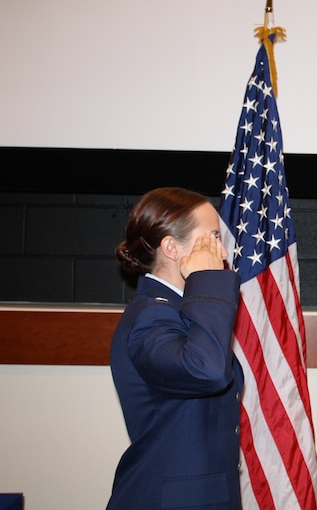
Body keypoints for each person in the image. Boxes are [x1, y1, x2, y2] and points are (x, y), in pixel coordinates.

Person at [106, 187, 244, 510]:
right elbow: (206, 370)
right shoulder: (150, 316)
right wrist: (208, 278)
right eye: (211, 237)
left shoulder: (181, 310)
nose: (222, 251)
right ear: (171, 247)